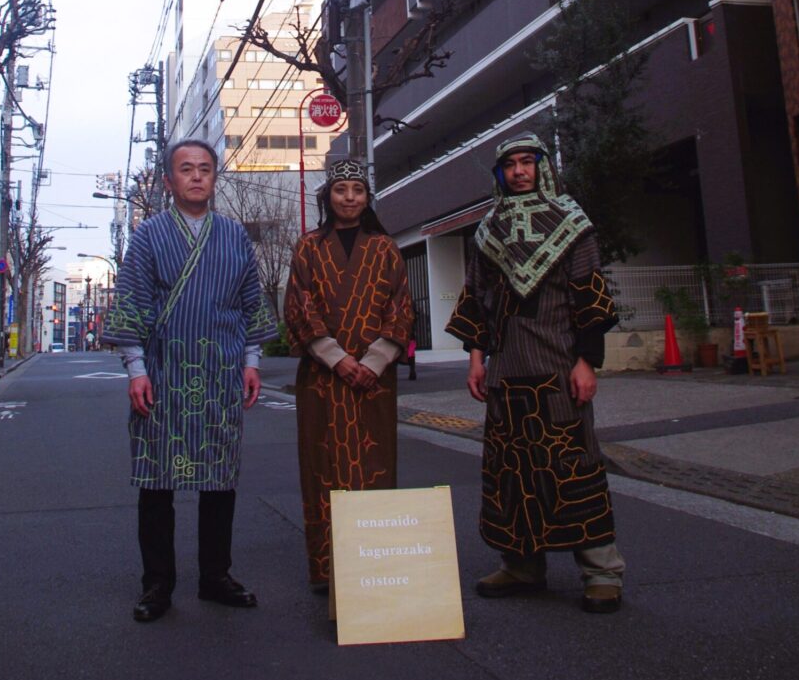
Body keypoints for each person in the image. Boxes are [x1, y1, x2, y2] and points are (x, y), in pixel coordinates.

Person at [445, 132, 626, 614]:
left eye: (528, 162)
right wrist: (476, 359)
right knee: (512, 472)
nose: (519, 171)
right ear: (499, 173)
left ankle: (601, 572)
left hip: (559, 368)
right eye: (510, 164)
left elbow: (590, 293)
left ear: (542, 167)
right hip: (507, 374)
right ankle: (522, 565)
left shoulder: (572, 222)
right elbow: (476, 297)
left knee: (576, 466)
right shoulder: (488, 230)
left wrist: (587, 361)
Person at [103, 139, 277, 623]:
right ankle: (157, 583)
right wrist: (135, 369)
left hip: (220, 371)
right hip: (163, 372)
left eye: (204, 168)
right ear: (168, 181)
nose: (197, 176)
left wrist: (252, 361)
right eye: (186, 169)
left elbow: (250, 303)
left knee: (219, 480)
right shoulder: (148, 236)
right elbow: (134, 302)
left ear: (214, 177)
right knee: (157, 481)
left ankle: (215, 576)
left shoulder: (234, 236)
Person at [284, 159, 414, 591]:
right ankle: (327, 569)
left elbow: (400, 309)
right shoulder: (307, 248)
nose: (350, 198)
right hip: (322, 380)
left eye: (357, 190)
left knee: (374, 465)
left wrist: (374, 361)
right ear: (328, 196)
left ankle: (375, 565)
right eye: (341, 190)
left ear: (367, 197)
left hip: (372, 382)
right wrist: (335, 357)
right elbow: (299, 307)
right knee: (322, 467)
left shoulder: (385, 248)